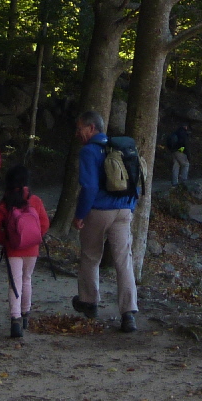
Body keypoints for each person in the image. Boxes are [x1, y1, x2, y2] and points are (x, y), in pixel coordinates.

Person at [71, 109, 139, 332]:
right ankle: (128, 313)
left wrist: (80, 215)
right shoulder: (118, 147)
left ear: (92, 128)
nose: (77, 133)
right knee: (124, 261)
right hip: (124, 209)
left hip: (99, 210)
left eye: (80, 128)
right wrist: (130, 205)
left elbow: (89, 187)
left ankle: (89, 303)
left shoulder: (89, 151)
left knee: (91, 256)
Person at [0, 164, 49, 339]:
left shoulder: (5, 203)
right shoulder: (35, 200)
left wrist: (5, 240)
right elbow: (44, 223)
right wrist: (34, 238)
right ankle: (25, 315)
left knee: (14, 283)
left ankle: (15, 320)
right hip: (32, 249)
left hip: (13, 249)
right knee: (27, 279)